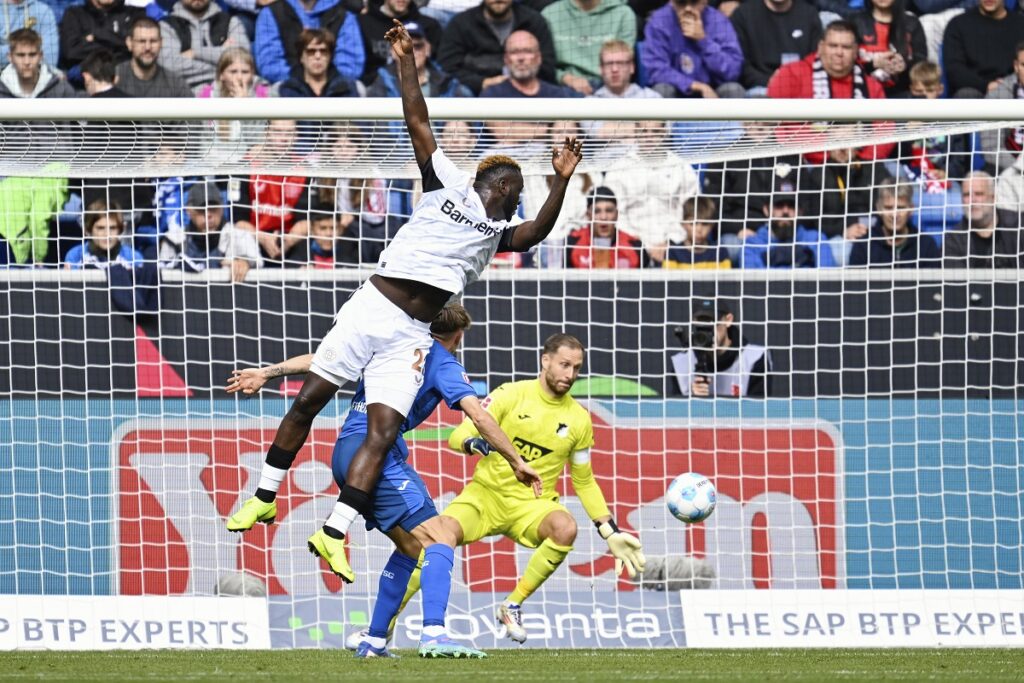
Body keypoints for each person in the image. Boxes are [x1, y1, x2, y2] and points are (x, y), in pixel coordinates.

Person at [225, 20, 580, 633]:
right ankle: (262, 494)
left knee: (384, 430)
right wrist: (405, 58)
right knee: (313, 397)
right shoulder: (446, 183)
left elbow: (537, 232)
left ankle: (334, 533)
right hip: (373, 305)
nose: (518, 200)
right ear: (498, 184)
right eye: (518, 189)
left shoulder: (497, 236)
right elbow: (417, 116)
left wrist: (562, 180)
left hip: (411, 333)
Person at [226, 304, 539, 658]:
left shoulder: (389, 340)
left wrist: (269, 372)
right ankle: (434, 633)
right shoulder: (443, 362)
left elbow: (324, 358)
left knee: (410, 546)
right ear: (459, 337)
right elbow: (478, 416)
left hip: (346, 451)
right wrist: (516, 460)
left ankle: (374, 640)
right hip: (376, 456)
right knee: (442, 535)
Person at [348, 333, 645, 649]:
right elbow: (459, 433)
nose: (570, 375)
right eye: (564, 365)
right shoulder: (510, 394)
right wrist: (473, 442)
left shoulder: (579, 419)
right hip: (484, 498)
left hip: (533, 506)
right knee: (432, 539)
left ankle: (512, 604)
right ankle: (384, 626)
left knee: (565, 527)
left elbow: (583, 480)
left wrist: (608, 530)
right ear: (545, 361)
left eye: (577, 368)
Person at [436, 0, 556, 95]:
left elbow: (547, 66)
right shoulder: (461, 23)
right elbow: (447, 67)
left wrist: (518, 81)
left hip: (529, 91)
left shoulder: (534, 21)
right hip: (475, 94)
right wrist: (482, 82)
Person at [159, 181, 262, 280]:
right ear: (188, 210)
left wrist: (245, 263)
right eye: (201, 209)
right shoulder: (174, 240)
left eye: (213, 208)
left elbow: (258, 262)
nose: (208, 215)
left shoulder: (239, 236)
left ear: (222, 208)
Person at [640, 0, 744, 99]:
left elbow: (733, 70)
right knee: (661, 90)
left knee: (734, 89)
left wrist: (703, 41)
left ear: (705, 1)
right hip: (676, 90)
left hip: (713, 91)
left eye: (694, 2)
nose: (688, 9)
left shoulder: (718, 21)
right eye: (681, 2)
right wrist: (694, 85)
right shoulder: (658, 21)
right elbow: (656, 70)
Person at [670, 298, 769, 397]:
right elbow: (677, 411)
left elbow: (759, 410)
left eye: (713, 323)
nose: (708, 331)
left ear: (728, 320)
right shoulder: (682, 364)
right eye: (701, 324)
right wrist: (692, 399)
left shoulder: (754, 358)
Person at [740, 170, 837, 269]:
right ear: (766, 210)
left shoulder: (817, 240)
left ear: (800, 211)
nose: (785, 211)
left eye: (791, 205)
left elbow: (826, 280)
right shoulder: (752, 245)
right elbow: (755, 283)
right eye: (779, 205)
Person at [253, 0, 365, 84]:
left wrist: (322, 81)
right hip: (288, 88)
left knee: (356, 87)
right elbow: (269, 65)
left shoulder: (344, 15)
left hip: (333, 90)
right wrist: (305, 81)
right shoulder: (270, 14)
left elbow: (351, 66)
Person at [540, 0, 636, 95]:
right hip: (564, 85)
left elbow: (625, 61)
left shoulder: (623, 14)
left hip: (609, 85)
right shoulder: (550, 14)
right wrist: (565, 78)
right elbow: (542, 63)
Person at [729, 0, 822, 96]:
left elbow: (815, 60)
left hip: (800, 86)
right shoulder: (744, 13)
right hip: (760, 87)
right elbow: (741, 64)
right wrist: (770, 81)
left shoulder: (809, 14)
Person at [848, 178, 942, 268]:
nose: (894, 215)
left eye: (900, 208)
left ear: (911, 209)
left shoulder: (926, 245)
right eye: (888, 208)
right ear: (879, 208)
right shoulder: (863, 245)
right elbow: (855, 284)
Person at [158, 0, 250, 90]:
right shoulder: (166, 26)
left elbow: (243, 58)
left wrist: (195, 53)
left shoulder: (231, 21)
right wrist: (225, 70)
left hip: (232, 91)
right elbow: (170, 66)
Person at [941, 0, 1024, 99]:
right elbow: (955, 70)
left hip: (1014, 88)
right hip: (976, 90)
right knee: (966, 94)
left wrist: (1006, 86)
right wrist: (986, 85)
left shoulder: (1020, 24)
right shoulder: (957, 25)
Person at [366, 21, 470, 97]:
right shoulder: (380, 83)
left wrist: (460, 123)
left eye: (418, 46)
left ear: (428, 50)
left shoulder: (446, 83)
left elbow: (472, 117)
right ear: (393, 52)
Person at [944, 171, 1023, 269]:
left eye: (979, 194)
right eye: (967, 195)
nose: (972, 200)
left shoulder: (1019, 226)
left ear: (993, 198)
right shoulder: (953, 240)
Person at [851, 0, 925, 98]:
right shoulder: (855, 22)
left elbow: (922, 65)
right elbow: (846, 64)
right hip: (863, 94)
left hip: (903, 94)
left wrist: (904, 67)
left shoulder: (912, 23)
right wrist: (873, 65)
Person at [358, 0, 441, 85]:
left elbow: (439, 68)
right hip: (372, 88)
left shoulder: (429, 26)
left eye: (417, 46)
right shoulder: (363, 23)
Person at [479, 29, 579, 98]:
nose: (521, 58)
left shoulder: (557, 95)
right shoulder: (493, 94)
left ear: (539, 58)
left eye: (527, 51)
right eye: (515, 52)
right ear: (506, 59)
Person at [565, 186, 646, 268]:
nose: (603, 217)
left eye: (609, 210)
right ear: (588, 215)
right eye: (597, 211)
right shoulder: (571, 243)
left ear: (617, 214)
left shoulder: (635, 246)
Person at [115, 17, 194, 97]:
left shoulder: (175, 84)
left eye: (153, 41)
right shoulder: (114, 78)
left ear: (161, 43)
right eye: (142, 41)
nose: (148, 47)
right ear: (129, 43)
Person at [59, 0, 145, 71]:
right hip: (84, 82)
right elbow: (72, 52)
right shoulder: (74, 14)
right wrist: (118, 45)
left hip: (126, 77)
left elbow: (139, 46)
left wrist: (97, 35)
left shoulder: (134, 13)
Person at [277, 27, 360, 97]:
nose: (318, 56)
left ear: (330, 56)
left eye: (323, 51)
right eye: (311, 51)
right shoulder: (287, 89)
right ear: (301, 57)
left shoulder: (347, 88)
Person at [982, 42, 1024, 174]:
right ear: (1016, 66)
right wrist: (1019, 168)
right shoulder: (997, 95)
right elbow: (991, 148)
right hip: (1008, 170)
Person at [64, 199, 143, 269]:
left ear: (121, 230)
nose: (107, 234)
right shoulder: (75, 256)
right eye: (100, 228)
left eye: (112, 228)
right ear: (87, 230)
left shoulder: (133, 258)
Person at [0, 27, 75, 97]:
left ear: (41, 56)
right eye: (21, 55)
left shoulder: (62, 90)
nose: (27, 62)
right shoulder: (1, 91)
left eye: (32, 55)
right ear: (10, 57)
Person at [663, 195, 732, 269]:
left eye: (705, 224)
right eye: (693, 223)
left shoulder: (720, 252)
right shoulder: (673, 252)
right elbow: (669, 279)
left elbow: (725, 279)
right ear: (683, 223)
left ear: (712, 225)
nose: (699, 229)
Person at [0, 0, 58, 70]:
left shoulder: (43, 11)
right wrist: (32, 49)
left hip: (37, 75)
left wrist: (7, 50)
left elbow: (50, 59)